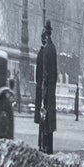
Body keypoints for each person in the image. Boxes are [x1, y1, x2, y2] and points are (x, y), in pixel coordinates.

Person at [34, 21, 57, 153]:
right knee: (49, 122)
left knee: (44, 119)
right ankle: (48, 147)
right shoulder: (53, 49)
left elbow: (45, 74)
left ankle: (43, 146)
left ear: (45, 35)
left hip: (46, 91)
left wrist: (42, 95)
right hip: (51, 91)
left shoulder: (46, 51)